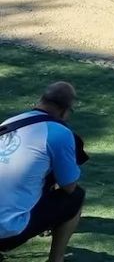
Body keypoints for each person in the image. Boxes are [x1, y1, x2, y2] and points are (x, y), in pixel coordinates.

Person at [0, 81, 86, 262]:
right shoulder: (59, 133)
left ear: (40, 100)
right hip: (6, 233)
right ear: (65, 110)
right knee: (76, 197)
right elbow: (69, 187)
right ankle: (56, 259)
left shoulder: (9, 123)